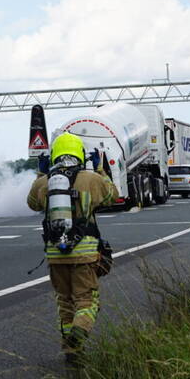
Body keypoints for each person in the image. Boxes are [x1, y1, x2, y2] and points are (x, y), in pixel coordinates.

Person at [26, 132, 117, 365]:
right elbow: (111, 196)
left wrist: (41, 173)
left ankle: (72, 352)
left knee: (65, 303)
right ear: (80, 154)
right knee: (87, 302)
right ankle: (79, 333)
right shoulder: (90, 179)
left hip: (55, 254)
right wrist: (100, 170)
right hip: (84, 253)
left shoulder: (45, 182)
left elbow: (32, 203)